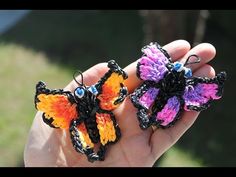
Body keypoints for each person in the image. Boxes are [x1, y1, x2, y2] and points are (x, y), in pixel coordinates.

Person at [24, 40, 217, 167]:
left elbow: (114, 82)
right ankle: (96, 148)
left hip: (162, 98)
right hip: (98, 119)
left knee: (154, 111)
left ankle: (143, 118)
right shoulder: (87, 100)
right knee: (92, 132)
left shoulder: (184, 86)